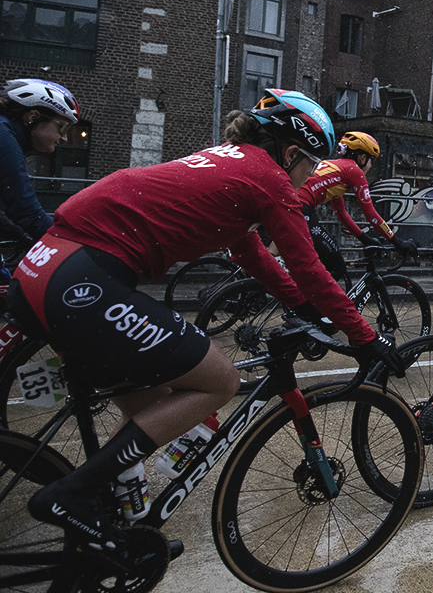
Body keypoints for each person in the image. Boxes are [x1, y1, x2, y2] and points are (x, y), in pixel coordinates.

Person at [6, 89, 405, 549]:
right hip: (83, 280)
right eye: (312, 164)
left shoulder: (230, 159)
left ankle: (117, 518)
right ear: (291, 153)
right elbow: (308, 267)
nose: (312, 175)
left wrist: (300, 305)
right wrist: (366, 337)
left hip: (41, 269)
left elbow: (247, 250)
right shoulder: (269, 178)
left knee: (155, 403)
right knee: (219, 381)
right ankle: (70, 495)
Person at [297, 131, 417, 282]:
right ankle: (308, 297)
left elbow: (341, 213)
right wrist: (397, 241)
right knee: (337, 266)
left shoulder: (337, 168)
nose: (370, 166)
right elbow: (371, 214)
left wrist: (364, 238)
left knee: (318, 258)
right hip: (301, 207)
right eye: (371, 160)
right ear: (362, 158)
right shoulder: (354, 171)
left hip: (294, 203)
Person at [1, 78, 81, 243]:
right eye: (62, 127)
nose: (65, 138)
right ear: (33, 116)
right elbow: (25, 209)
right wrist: (64, 244)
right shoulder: (4, 139)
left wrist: (19, 235)